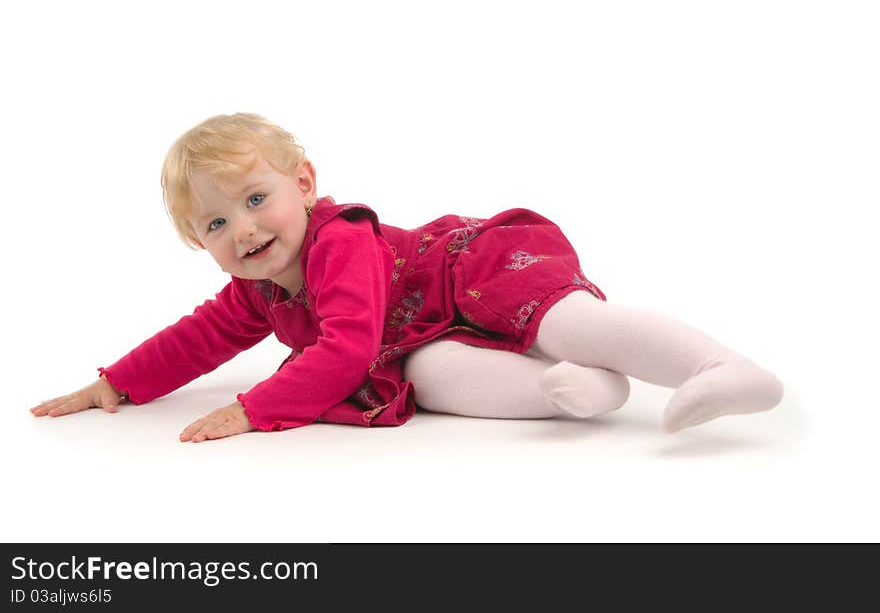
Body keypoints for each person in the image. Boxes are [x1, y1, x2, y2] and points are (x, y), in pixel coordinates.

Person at [30, 113, 784, 442]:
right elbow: (198, 338)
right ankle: (573, 392)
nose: (246, 230)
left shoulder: (339, 241)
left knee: (562, 321)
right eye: (218, 224)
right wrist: (116, 384)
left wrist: (256, 407)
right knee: (433, 375)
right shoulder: (256, 288)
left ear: (305, 183)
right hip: (422, 328)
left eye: (257, 201)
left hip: (470, 273)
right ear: (200, 242)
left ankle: (723, 366)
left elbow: (350, 346)